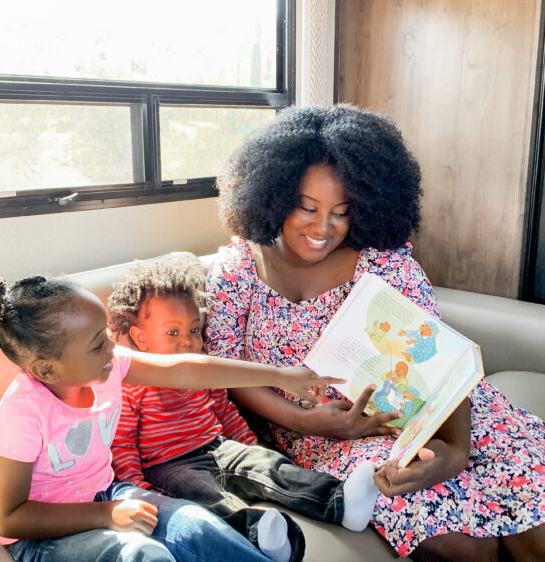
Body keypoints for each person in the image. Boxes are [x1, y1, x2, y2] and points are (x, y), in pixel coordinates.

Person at [204, 104, 545, 562]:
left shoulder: (382, 262)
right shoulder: (237, 271)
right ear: (274, 194)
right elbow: (231, 374)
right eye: (307, 208)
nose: (323, 228)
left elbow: (440, 361)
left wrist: (456, 451)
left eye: (342, 213)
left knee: (536, 524)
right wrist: (306, 420)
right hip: (329, 437)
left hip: (445, 414)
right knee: (462, 549)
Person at [0, 275, 340, 562]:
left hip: (105, 494)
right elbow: (6, 518)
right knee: (147, 557)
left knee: (195, 523)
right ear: (47, 370)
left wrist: (280, 375)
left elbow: (185, 371)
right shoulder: (22, 413)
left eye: (107, 335)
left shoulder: (107, 366)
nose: (113, 347)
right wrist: (105, 514)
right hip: (41, 539)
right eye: (98, 344)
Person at [107, 256, 381, 545]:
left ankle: (341, 503)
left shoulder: (205, 370)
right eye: (172, 332)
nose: (187, 341)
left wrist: (251, 448)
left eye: (193, 329)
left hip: (218, 447)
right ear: (140, 338)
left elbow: (225, 411)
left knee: (270, 466)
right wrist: (139, 490)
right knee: (206, 496)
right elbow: (123, 444)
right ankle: (258, 534)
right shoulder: (132, 387)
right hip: (170, 466)